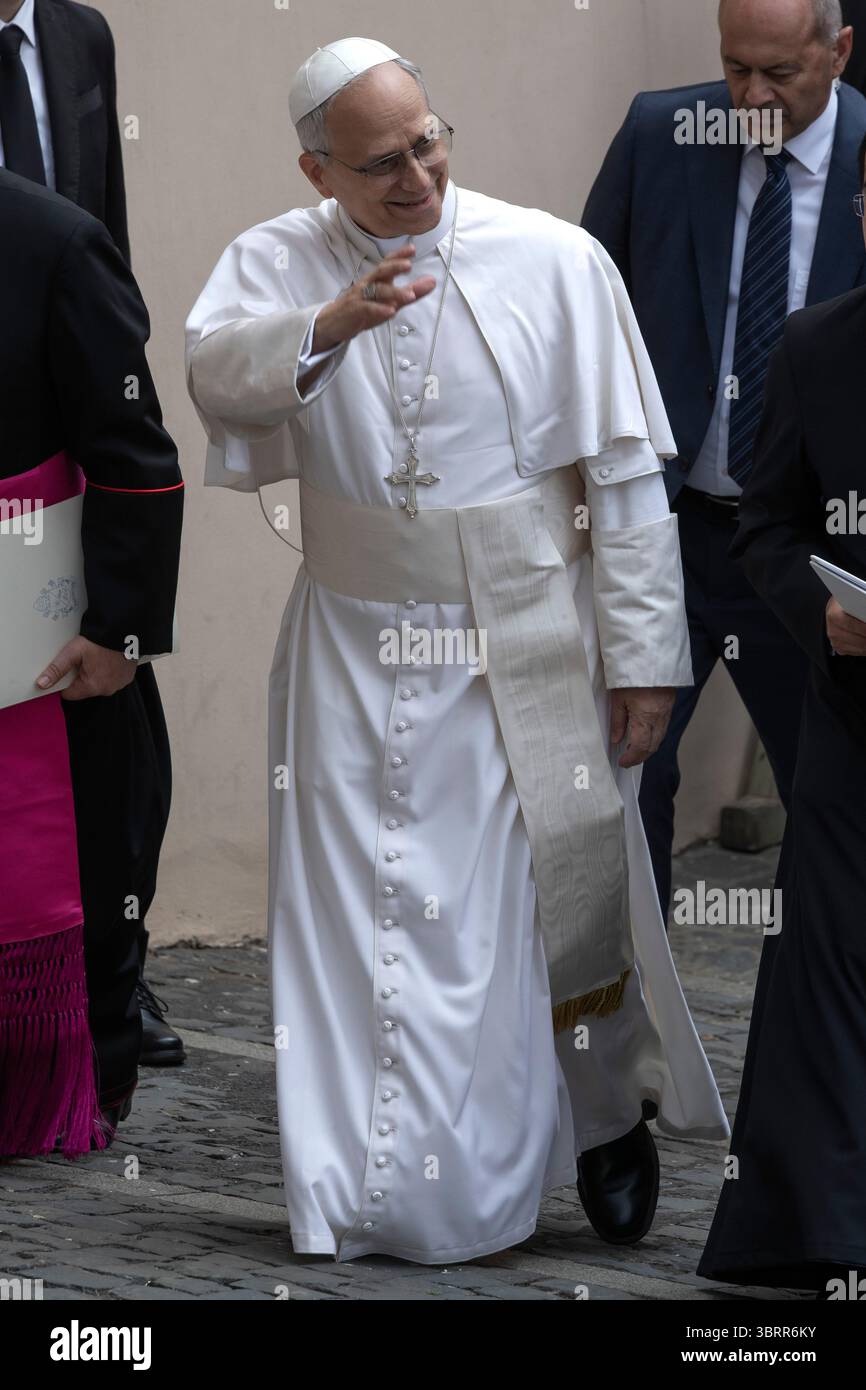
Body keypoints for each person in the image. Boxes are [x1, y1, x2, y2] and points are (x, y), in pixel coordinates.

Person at [186, 37, 728, 1265]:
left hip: (521, 637)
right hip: (349, 646)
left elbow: (626, 478)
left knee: (548, 906)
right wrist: (325, 326)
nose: (416, 179)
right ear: (317, 170)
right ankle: (359, 1185)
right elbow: (218, 376)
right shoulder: (273, 260)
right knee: (350, 923)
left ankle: (599, 1117)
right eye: (379, 166)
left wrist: (644, 656)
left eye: (428, 142)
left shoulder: (552, 257)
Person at [583, 0, 866, 923]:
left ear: (840, 51)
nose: (750, 95)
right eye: (734, 67)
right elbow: (586, 319)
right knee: (626, 784)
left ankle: (812, 1037)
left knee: (829, 799)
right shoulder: (660, 133)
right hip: (663, 536)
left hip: (809, 557)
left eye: (779, 74)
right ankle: (631, 1041)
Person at [0, 0, 186, 1068]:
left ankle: (106, 995)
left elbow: (99, 221)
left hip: (67, 444)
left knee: (106, 758)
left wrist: (124, 616)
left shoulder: (80, 36)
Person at [698, 132, 866, 1295]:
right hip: (852, 717)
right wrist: (823, 614)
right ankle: (825, 1233)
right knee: (830, 967)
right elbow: (763, 521)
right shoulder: (817, 346)